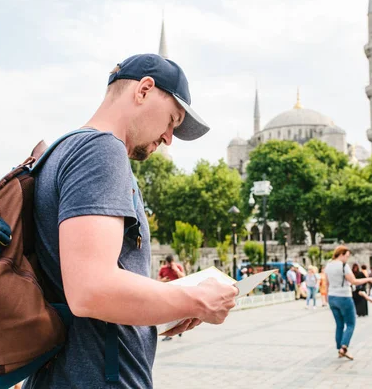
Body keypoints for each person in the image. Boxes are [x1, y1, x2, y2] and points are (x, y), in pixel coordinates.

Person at [24, 54, 238, 389]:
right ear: (143, 90)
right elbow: (91, 290)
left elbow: (85, 287)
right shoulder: (101, 151)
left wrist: (170, 305)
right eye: (172, 120)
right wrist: (197, 299)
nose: (169, 137)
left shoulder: (64, 150)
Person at [324, 246, 372, 360]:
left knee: (339, 324)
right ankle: (344, 347)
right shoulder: (343, 266)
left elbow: (326, 283)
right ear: (341, 254)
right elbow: (353, 281)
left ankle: (339, 349)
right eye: (346, 256)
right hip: (344, 296)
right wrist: (368, 279)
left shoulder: (328, 265)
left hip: (332, 296)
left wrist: (326, 298)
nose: (347, 259)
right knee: (351, 323)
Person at [158, 255, 186, 342]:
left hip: (178, 294)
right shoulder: (163, 269)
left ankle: (179, 329)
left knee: (179, 314)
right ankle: (169, 334)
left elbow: (184, 278)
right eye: (168, 263)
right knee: (168, 314)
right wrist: (164, 280)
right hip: (167, 295)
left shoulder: (178, 267)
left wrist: (176, 269)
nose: (169, 265)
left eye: (171, 263)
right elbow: (157, 281)